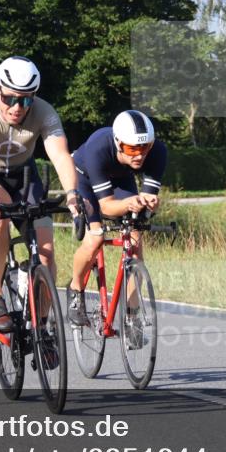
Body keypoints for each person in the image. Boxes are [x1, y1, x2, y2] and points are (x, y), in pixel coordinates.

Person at [0, 56, 81, 336]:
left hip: (24, 175)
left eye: (25, 101)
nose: (17, 107)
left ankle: (42, 328)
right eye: (10, 98)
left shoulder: (44, 112)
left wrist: (73, 195)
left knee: (47, 255)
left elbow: (60, 156)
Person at [66, 110, 167, 344]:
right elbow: (108, 208)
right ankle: (75, 290)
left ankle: (132, 317)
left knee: (135, 239)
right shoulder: (98, 148)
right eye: (132, 149)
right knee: (95, 238)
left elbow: (145, 205)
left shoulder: (158, 152)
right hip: (85, 178)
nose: (140, 156)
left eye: (145, 148)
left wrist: (149, 203)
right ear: (118, 143)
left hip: (121, 178)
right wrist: (127, 203)